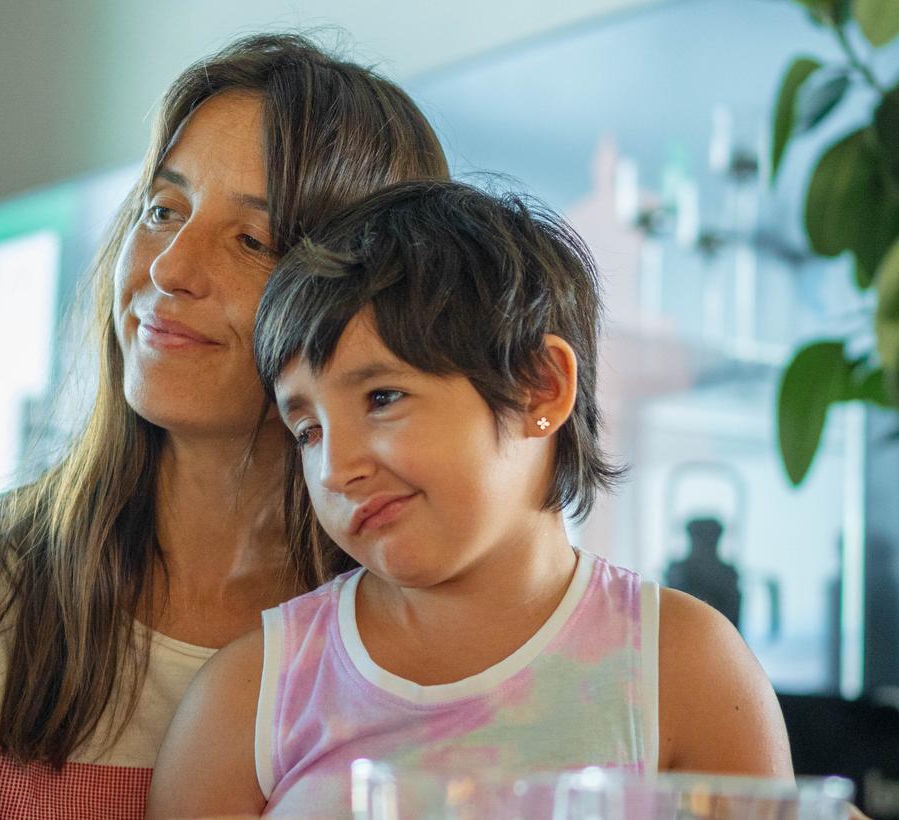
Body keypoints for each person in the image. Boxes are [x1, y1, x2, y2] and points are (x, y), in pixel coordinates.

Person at [0, 34, 448, 820]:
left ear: (363, 303)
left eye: (253, 239)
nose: (170, 267)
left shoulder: (424, 640)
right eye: (162, 209)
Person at [146, 180, 794, 818]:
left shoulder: (682, 665)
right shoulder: (252, 694)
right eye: (308, 431)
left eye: (382, 398)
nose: (337, 468)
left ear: (539, 388)